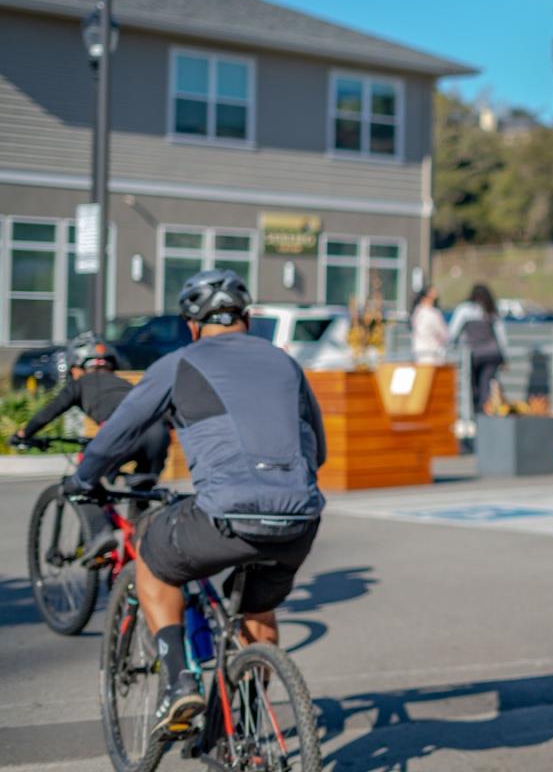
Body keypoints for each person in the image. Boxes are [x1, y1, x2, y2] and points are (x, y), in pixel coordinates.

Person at [62, 269, 325, 739]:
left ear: (192, 325)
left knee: (151, 556)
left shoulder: (180, 362)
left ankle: (179, 684)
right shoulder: (286, 364)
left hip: (227, 517)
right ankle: (242, 727)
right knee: (258, 613)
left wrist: (82, 479)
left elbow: (120, 431)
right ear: (247, 319)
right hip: (299, 521)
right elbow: (317, 451)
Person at [9, 332, 172, 559]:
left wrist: (23, 434)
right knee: (141, 493)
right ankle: (136, 549)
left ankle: (99, 533)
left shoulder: (80, 383)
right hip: (158, 435)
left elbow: (50, 411)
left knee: (79, 484)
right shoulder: (125, 384)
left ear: (77, 368)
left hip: (121, 435)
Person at [449, 283, 507, 415]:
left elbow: (453, 332)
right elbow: (501, 336)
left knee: (472, 385)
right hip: (492, 353)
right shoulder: (491, 310)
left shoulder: (464, 309)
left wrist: (451, 347)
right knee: (486, 384)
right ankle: (483, 413)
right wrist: (504, 357)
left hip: (473, 355)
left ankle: (476, 413)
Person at [409, 284, 449, 365]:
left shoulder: (417, 312)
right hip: (433, 355)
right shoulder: (433, 313)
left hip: (419, 353)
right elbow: (444, 334)